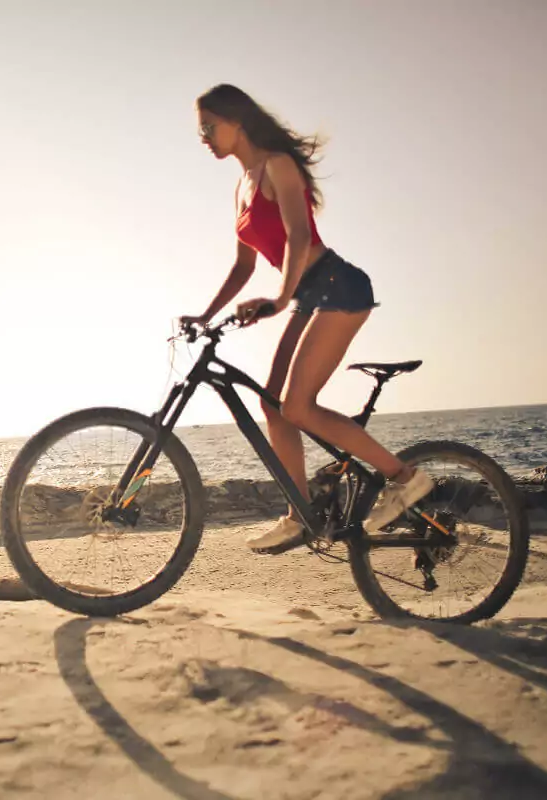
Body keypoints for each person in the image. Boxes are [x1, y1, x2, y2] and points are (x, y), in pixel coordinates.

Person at [182, 83, 431, 554]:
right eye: (202, 129)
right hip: (308, 294)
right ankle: (300, 514)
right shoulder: (242, 185)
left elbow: (298, 237)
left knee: (297, 406)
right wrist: (205, 314)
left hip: (339, 285)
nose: (205, 136)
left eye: (209, 126)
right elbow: (243, 267)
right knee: (273, 407)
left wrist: (279, 299)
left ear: (236, 122)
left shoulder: (278, 165)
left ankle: (406, 477)